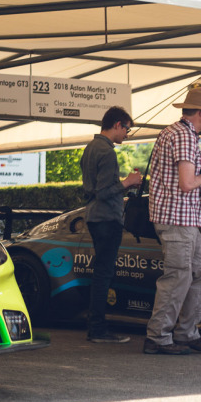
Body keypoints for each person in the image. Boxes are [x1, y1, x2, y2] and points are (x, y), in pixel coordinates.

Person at [145, 86, 201, 355]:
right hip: (177, 219)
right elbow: (187, 183)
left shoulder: (179, 133)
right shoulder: (183, 136)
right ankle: (158, 337)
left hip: (184, 220)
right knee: (177, 278)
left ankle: (185, 333)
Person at [79, 106, 142, 344]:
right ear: (117, 125)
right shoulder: (107, 152)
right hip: (107, 218)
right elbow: (104, 191)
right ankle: (97, 329)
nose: (127, 134)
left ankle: (96, 326)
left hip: (94, 217)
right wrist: (128, 182)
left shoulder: (90, 148)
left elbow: (93, 189)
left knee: (101, 272)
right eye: (127, 129)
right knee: (104, 274)